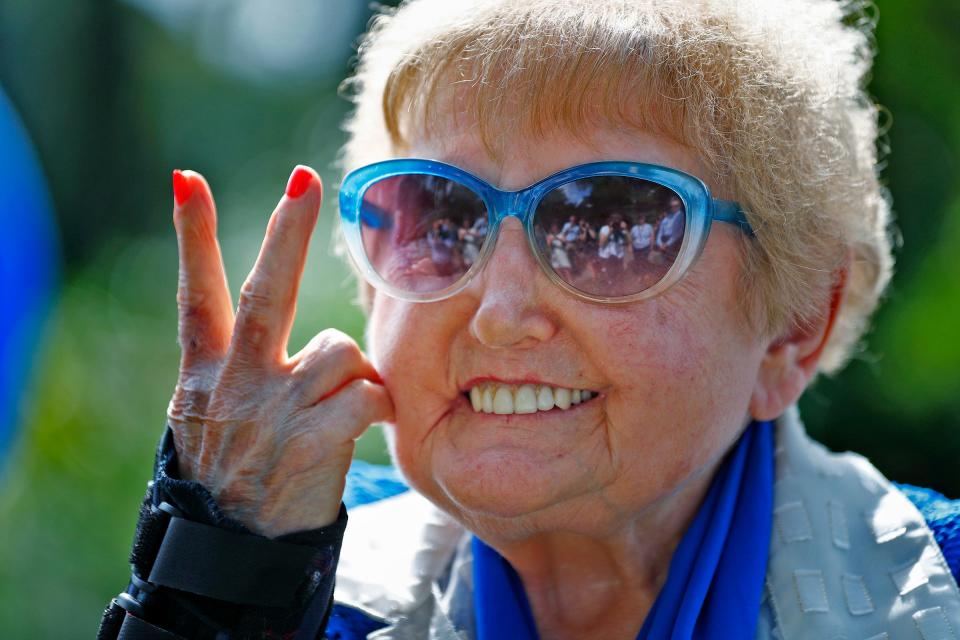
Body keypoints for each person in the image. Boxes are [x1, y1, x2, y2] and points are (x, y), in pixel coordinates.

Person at [98, 1, 960, 639]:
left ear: (795, 326)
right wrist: (214, 592)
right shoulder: (281, 567)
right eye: (441, 218)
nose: (502, 313)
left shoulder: (935, 590)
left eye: (611, 227)